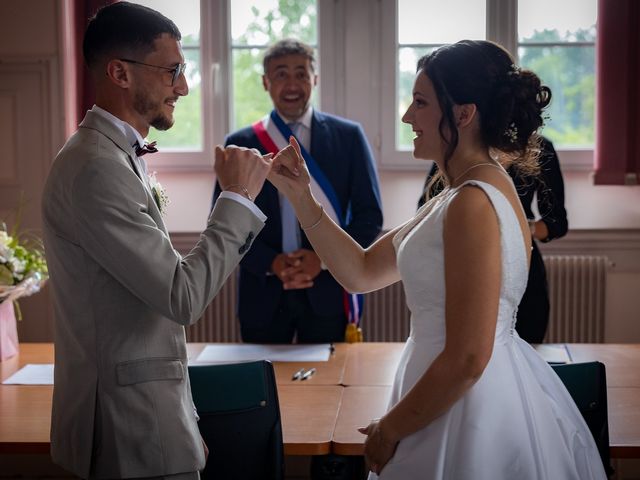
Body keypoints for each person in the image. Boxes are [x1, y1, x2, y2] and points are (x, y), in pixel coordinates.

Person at [269, 40, 606, 479]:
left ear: (463, 114)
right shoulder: (455, 193)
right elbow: (361, 271)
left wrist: (391, 428)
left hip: (465, 405)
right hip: (440, 389)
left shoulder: (473, 202)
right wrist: (301, 195)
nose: (408, 116)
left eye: (421, 102)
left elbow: (468, 357)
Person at [41, 3, 272, 479]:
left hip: (150, 420)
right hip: (128, 430)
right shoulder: (94, 167)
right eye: (172, 71)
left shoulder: (111, 155)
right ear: (120, 73)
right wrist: (236, 199)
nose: (183, 87)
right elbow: (179, 298)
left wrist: (181, 421)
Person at [212, 39, 383, 344]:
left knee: (329, 387)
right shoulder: (240, 143)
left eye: (301, 74)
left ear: (315, 79)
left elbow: (369, 216)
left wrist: (324, 259)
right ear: (266, 82)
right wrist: (271, 263)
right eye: (281, 74)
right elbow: (226, 220)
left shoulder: (349, 137)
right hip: (263, 295)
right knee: (263, 386)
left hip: (328, 291)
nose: (292, 84)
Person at [418, 136, 568, 343]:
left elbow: (557, 223)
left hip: (521, 270)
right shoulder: (459, 147)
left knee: (524, 352)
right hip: (464, 266)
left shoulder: (540, 149)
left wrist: (516, 225)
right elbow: (424, 211)